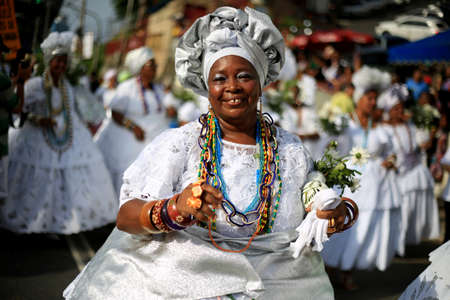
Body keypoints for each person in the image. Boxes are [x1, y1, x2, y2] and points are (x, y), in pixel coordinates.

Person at [64, 7, 353, 299]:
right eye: (219, 79)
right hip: (187, 285)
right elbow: (127, 216)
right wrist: (176, 208)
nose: (232, 87)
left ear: (261, 82)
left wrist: (335, 212)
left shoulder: (290, 150)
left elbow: (317, 202)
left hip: (282, 286)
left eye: (243, 76)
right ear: (205, 86)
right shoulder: (182, 144)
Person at [0, 32, 117, 234]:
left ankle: (62, 221)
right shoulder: (35, 84)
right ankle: (37, 222)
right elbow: (20, 110)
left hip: (67, 137)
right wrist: (39, 119)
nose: (61, 66)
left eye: (64, 62)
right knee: (39, 179)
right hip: (36, 137)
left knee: (68, 178)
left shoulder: (67, 87)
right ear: (49, 62)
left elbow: (69, 112)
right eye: (57, 62)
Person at [321, 88, 402, 290]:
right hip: (346, 183)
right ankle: (330, 269)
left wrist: (389, 161)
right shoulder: (344, 123)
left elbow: (390, 152)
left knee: (362, 227)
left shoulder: (378, 128)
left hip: (372, 187)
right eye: (369, 98)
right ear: (359, 99)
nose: (373, 102)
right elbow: (329, 147)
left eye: (375, 98)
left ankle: (347, 271)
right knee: (340, 226)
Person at [94, 46, 169, 196]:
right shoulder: (127, 87)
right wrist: (133, 127)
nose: (154, 68)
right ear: (141, 68)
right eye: (151, 65)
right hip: (132, 141)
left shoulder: (158, 89)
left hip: (156, 141)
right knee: (130, 176)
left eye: (155, 65)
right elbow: (115, 113)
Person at [378, 84, 439, 249]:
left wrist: (431, 134)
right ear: (389, 110)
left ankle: (406, 241)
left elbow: (420, 144)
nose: (399, 112)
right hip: (395, 174)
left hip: (413, 171)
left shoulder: (409, 126)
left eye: (401, 109)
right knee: (401, 210)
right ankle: (396, 244)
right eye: (396, 109)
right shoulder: (384, 129)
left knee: (411, 208)